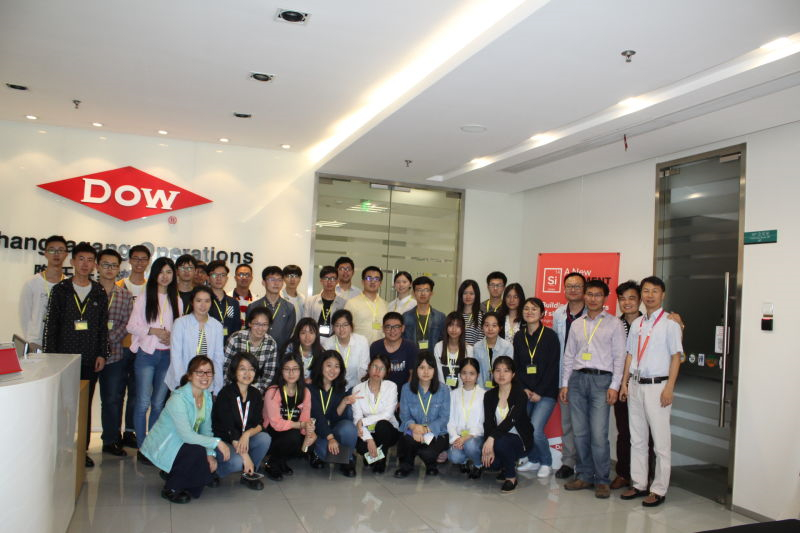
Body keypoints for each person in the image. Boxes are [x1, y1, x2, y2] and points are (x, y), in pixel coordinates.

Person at [43, 241, 109, 467]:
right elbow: (51, 325)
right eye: (81, 259)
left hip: (90, 358)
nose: (85, 264)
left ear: (95, 265)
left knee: (84, 406)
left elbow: (102, 327)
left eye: (90, 260)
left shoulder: (99, 291)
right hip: (63, 359)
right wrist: (50, 357)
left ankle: (82, 450)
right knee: (64, 405)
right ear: (72, 262)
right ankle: (62, 447)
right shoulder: (60, 290)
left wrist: (102, 353)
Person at [619, 276, 683, 507]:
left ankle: (659, 489)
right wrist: (624, 383)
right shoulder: (637, 323)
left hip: (658, 387)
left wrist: (669, 388)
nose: (649, 295)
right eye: (646, 291)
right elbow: (630, 355)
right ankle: (638, 484)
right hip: (636, 385)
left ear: (662, 295)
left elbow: (676, 357)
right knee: (637, 439)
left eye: (655, 291)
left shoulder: (670, 323)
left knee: (660, 442)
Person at [560, 279, 626, 499]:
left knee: (598, 433)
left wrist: (615, 386)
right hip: (577, 380)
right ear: (584, 296)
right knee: (579, 432)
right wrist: (565, 383)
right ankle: (584, 475)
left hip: (601, 381)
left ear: (605, 298)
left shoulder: (614, 324)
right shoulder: (577, 324)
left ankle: (602, 479)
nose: (593, 298)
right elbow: (569, 356)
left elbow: (619, 358)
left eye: (598, 295)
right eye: (589, 294)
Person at [140, 356, 230, 504]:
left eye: (208, 372)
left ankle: (176, 474)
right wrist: (217, 443)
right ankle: (171, 488)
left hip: (183, 442)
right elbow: (187, 435)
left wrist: (210, 454)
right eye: (199, 372)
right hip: (165, 445)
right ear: (189, 376)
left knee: (200, 479)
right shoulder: (178, 399)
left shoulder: (206, 397)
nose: (205, 376)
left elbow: (206, 430)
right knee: (196, 451)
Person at [126, 256, 180, 457]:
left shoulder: (177, 300)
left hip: (167, 357)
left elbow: (178, 329)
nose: (165, 276)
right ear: (154, 274)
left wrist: (170, 337)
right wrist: (153, 331)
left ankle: (153, 446)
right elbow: (131, 326)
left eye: (169, 272)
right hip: (147, 355)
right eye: (161, 272)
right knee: (143, 402)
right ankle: (142, 445)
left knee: (158, 403)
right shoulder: (144, 297)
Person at [513, 298, 561, 478]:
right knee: (524, 426)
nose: (529, 312)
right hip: (525, 391)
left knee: (535, 427)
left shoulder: (550, 336)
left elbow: (552, 368)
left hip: (545, 393)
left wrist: (539, 392)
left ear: (542, 313)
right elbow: (517, 366)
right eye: (526, 308)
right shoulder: (519, 336)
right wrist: (524, 389)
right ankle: (533, 460)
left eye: (534, 309)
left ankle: (546, 462)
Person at [211, 352, 271, 491]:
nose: (247, 373)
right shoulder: (225, 394)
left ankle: (249, 475)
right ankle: (214, 472)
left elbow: (260, 423)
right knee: (238, 461)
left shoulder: (255, 394)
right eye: (242, 369)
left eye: (251, 369)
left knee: (264, 438)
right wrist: (245, 456)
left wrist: (247, 434)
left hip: (243, 438)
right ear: (234, 371)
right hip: (225, 440)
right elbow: (229, 429)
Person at [96, 249, 134, 457]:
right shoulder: (90, 291)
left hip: (115, 354)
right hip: (89, 354)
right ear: (97, 266)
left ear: (119, 268)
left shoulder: (125, 295)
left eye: (113, 265)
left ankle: (111, 440)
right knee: (83, 398)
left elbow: (128, 323)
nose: (109, 269)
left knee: (112, 399)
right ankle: (82, 443)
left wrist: (106, 341)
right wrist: (96, 343)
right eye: (105, 264)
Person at [552, 272, 587, 480]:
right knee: (567, 422)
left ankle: (585, 464)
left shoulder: (592, 314)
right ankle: (568, 462)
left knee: (584, 424)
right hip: (563, 376)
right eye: (569, 286)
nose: (573, 290)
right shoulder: (558, 314)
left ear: (584, 290)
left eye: (577, 286)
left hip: (585, 375)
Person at [481, 356, 533, 493]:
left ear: (513, 374)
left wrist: (491, 438)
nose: (501, 374)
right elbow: (488, 422)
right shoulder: (489, 395)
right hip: (498, 437)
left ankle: (511, 477)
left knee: (501, 442)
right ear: (493, 373)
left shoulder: (520, 394)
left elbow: (511, 420)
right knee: (490, 464)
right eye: (498, 370)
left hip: (519, 438)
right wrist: (487, 443)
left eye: (506, 370)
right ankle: (505, 465)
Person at [395, 351, 451, 478]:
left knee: (427, 452)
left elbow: (444, 417)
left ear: (435, 370)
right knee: (406, 441)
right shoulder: (406, 388)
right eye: (422, 367)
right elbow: (404, 415)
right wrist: (414, 427)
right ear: (416, 369)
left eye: (430, 368)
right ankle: (406, 465)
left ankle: (431, 464)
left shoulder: (443, 390)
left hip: (436, 432)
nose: (426, 372)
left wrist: (425, 429)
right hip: (413, 430)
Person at [262, 353, 317, 481]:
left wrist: (310, 432)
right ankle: (272, 462)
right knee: (293, 436)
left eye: (295, 369)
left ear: (300, 371)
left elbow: (305, 419)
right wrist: (301, 425)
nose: (291, 373)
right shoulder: (273, 391)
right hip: (271, 433)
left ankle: (281, 460)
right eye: (287, 369)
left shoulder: (305, 392)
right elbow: (276, 424)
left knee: (310, 441)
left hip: (292, 431)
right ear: (281, 371)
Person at [307, 350, 359, 477]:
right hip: (316, 432)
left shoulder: (339, 388)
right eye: (329, 365)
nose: (333, 370)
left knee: (348, 428)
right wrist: (330, 438)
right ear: (321, 366)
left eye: (337, 366)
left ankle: (347, 460)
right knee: (325, 452)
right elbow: (318, 416)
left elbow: (334, 417)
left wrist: (344, 402)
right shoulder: (310, 388)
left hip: (331, 429)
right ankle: (342, 456)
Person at [167, 286, 225, 395]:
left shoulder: (216, 326)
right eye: (199, 301)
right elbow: (176, 357)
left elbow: (218, 358)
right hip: (182, 381)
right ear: (192, 302)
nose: (203, 305)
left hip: (206, 381)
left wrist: (217, 387)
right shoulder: (180, 323)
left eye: (207, 301)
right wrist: (184, 383)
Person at [352, 354, 400, 473]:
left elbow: (387, 415)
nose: (377, 371)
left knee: (382, 425)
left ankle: (380, 460)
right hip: (367, 431)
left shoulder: (391, 387)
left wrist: (363, 421)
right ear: (369, 367)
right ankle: (373, 457)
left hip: (388, 430)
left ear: (386, 371)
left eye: (382, 368)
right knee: (360, 445)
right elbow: (357, 419)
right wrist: (369, 439)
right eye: (374, 366)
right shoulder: (357, 389)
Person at [19, 234, 67, 352]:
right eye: (52, 250)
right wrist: (30, 340)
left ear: (66, 254)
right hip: (36, 343)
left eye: (60, 250)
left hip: (60, 343)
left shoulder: (68, 284)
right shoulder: (32, 283)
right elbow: (24, 315)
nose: (56, 254)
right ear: (45, 253)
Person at [223, 307, 278, 393]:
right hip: (233, 385)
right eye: (256, 324)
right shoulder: (236, 338)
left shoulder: (271, 344)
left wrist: (258, 392)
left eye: (264, 324)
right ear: (249, 323)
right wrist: (230, 389)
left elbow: (269, 373)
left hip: (255, 387)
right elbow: (225, 366)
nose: (260, 328)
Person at [447, 358, 485, 479]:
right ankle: (464, 461)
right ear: (459, 374)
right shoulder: (453, 394)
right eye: (464, 373)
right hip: (459, 437)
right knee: (454, 457)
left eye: (471, 373)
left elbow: (482, 422)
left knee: (470, 445)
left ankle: (478, 464)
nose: (467, 377)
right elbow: (450, 420)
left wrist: (467, 437)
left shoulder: (484, 395)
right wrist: (455, 438)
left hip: (476, 437)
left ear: (478, 375)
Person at [247, 266, 296, 353]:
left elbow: (288, 335)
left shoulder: (290, 308)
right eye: (272, 279)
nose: (276, 283)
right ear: (263, 282)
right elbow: (249, 332)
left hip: (280, 354)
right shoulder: (253, 307)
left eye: (279, 280)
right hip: (257, 353)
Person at [369, 312, 418, 392]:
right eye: (388, 327)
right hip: (381, 393)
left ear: (402, 328)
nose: (392, 331)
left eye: (397, 327)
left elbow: (413, 374)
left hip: (404, 393)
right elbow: (372, 373)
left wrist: (405, 394)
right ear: (383, 329)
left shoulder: (411, 347)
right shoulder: (375, 347)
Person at [321, 309, 369, 389]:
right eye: (337, 325)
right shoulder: (328, 343)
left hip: (356, 386)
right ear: (333, 328)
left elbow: (364, 368)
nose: (341, 329)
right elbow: (325, 370)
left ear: (351, 326)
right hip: (334, 386)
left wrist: (358, 389)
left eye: (345, 325)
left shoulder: (362, 341)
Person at [345, 266, 388, 344]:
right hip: (359, 347)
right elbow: (346, 328)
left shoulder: (385, 304)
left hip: (380, 348)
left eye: (376, 279)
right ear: (362, 282)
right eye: (369, 278)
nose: (373, 282)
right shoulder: (352, 303)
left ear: (380, 283)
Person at [402, 276, 445, 351]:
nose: (422, 293)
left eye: (426, 290)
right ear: (413, 293)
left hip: (433, 357)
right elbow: (402, 341)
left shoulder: (440, 317)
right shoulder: (406, 317)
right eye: (419, 290)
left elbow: (443, 341)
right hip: (412, 356)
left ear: (431, 293)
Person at [472, 311, 513, 390]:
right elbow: (476, 371)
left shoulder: (507, 346)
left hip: (502, 388)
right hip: (481, 388)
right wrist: (480, 391)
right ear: (482, 327)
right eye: (487, 325)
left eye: (494, 325)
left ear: (500, 328)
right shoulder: (477, 347)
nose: (490, 329)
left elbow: (508, 371)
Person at [304, 265, 347, 338]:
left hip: (334, 340)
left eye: (332, 279)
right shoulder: (310, 301)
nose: (329, 282)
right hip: (314, 339)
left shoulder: (343, 303)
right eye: (326, 278)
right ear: (321, 281)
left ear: (337, 281)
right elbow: (305, 323)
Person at [433, 312, 473, 390]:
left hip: (462, 391)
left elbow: (468, 373)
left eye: (458, 326)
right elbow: (438, 372)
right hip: (442, 390)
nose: (454, 329)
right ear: (446, 327)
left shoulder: (469, 349)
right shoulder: (438, 347)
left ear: (462, 328)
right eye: (451, 325)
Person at [205, 260, 241, 342]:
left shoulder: (233, 303)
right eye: (214, 275)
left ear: (227, 279)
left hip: (229, 346)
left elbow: (237, 328)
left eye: (222, 275)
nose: (219, 278)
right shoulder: (203, 301)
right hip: (208, 345)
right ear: (208, 278)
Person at [284, 318, 325, 382]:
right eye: (303, 333)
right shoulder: (290, 348)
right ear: (298, 334)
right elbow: (285, 371)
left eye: (311, 333)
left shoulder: (321, 353)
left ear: (316, 335)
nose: (307, 337)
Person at [457, 279, 483, 346]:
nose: (468, 296)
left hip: (473, 352)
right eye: (465, 293)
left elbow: (481, 342)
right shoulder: (456, 316)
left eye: (471, 293)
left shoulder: (481, 316)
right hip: (455, 351)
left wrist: (469, 349)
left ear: (476, 295)